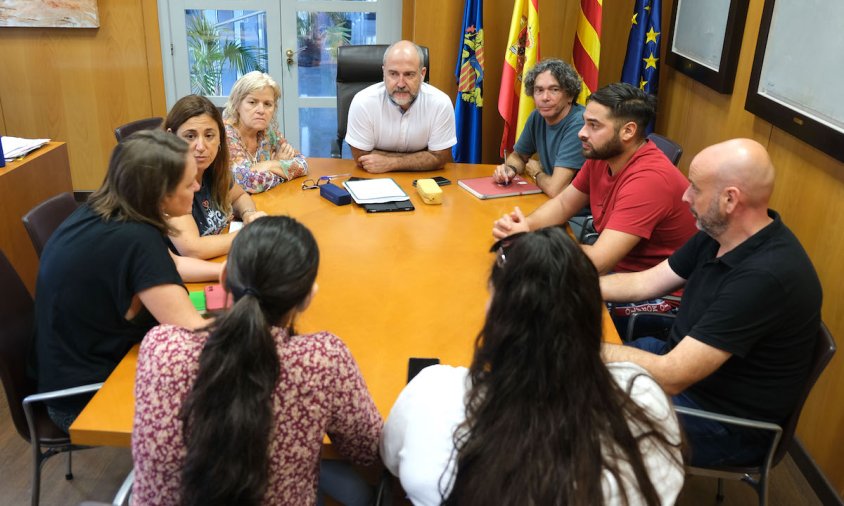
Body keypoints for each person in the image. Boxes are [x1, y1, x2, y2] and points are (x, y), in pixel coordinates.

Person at [381, 227, 684, 506]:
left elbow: (390, 461)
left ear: (498, 314)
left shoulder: (434, 394)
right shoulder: (644, 400)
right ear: (590, 316)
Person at [601, 138, 823, 467]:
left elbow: (674, 375)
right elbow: (645, 282)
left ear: (730, 199)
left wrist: (584, 346)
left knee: (579, 414)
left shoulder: (766, 277)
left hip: (721, 422)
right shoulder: (717, 232)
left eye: (694, 188)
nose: (684, 196)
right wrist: (568, 285)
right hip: (679, 367)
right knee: (565, 378)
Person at [132, 216, 382, 506]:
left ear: (224, 278)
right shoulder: (324, 360)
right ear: (307, 298)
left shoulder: (161, 346)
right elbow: (368, 449)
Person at [31, 130, 209, 432]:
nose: (197, 186)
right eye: (189, 181)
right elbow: (193, 332)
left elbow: (172, 265)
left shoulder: (103, 210)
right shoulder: (137, 239)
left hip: (60, 376)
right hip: (86, 398)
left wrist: (225, 272)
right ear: (161, 193)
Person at [493, 83, 697, 276]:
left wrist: (531, 247)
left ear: (628, 131)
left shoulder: (649, 181)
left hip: (647, 289)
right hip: (617, 269)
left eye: (594, 126)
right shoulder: (603, 154)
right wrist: (525, 227)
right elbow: (564, 204)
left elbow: (599, 262)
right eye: (584, 122)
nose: (582, 133)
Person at [164, 95, 268, 259]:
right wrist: (250, 234)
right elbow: (193, 249)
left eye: (209, 135)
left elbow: (239, 196)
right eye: (190, 136)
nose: (201, 147)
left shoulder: (212, 169)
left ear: (220, 138)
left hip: (220, 263)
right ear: (171, 137)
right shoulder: (166, 184)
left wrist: (249, 214)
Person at [345, 40, 456, 173]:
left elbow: (441, 158)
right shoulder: (363, 102)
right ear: (383, 72)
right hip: (373, 181)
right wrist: (424, 157)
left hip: (423, 180)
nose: (401, 84)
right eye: (393, 74)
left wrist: (391, 163)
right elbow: (361, 156)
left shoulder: (440, 103)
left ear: (422, 74)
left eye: (409, 74)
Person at [492, 59, 586, 197]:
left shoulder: (580, 124)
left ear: (570, 96)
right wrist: (510, 168)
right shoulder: (537, 116)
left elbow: (556, 189)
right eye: (539, 90)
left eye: (554, 90)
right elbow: (518, 156)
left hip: (578, 214)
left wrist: (536, 173)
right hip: (551, 202)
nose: (545, 97)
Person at [224, 71, 309, 193]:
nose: (261, 110)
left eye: (267, 104)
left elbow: (303, 164)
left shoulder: (268, 132)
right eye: (252, 102)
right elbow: (250, 183)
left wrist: (269, 165)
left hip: (266, 202)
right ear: (237, 104)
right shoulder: (225, 134)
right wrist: (280, 165)